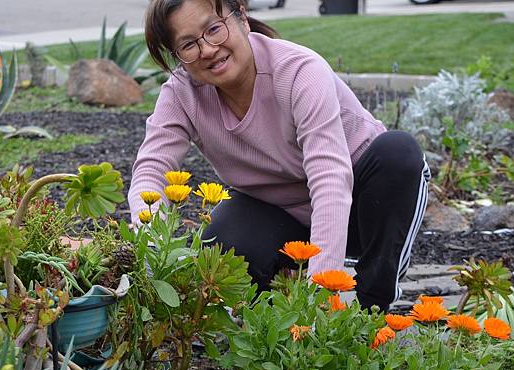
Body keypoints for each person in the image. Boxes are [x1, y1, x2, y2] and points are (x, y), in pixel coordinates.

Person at [128, 0, 430, 311]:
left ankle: (374, 311)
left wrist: (321, 297)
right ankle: (273, 317)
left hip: (361, 201)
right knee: (221, 243)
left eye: (214, 29)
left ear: (242, 19)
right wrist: (151, 248)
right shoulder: (182, 93)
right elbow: (152, 167)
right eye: (188, 44)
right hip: (281, 214)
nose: (207, 49)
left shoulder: (298, 71)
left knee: (398, 153)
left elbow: (330, 177)